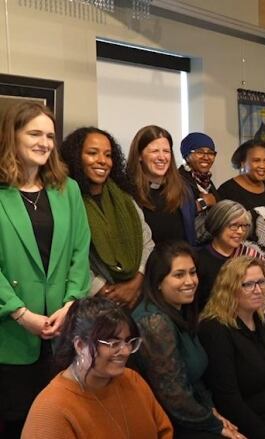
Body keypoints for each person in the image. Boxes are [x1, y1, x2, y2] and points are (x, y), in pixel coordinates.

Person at [0, 101, 91, 435]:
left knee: (61, 421)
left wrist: (70, 304)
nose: (44, 142)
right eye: (34, 133)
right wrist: (21, 314)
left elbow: (80, 250)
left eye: (50, 136)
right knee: (19, 424)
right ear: (12, 136)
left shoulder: (68, 190)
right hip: (11, 333)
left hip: (62, 330)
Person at [132, 241, 247, 439]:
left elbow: (194, 380)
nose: (190, 281)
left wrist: (213, 412)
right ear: (158, 281)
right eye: (179, 275)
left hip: (192, 413)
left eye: (192, 273)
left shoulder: (180, 311)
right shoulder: (154, 322)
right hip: (167, 422)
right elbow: (173, 397)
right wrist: (215, 425)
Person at [21, 296, 173, 438]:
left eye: (128, 341)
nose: (125, 351)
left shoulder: (132, 380)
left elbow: (164, 431)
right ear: (80, 345)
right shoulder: (51, 410)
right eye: (113, 343)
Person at [59, 127, 155, 307]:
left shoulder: (125, 198)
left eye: (108, 155)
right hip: (86, 303)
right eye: (92, 153)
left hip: (135, 298)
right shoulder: (65, 199)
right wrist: (101, 289)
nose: (102, 161)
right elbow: (65, 255)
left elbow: (147, 242)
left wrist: (135, 283)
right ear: (76, 157)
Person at [199, 256, 265, 439]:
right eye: (248, 284)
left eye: (261, 282)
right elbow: (228, 400)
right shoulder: (215, 329)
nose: (258, 290)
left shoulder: (263, 321)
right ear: (230, 289)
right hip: (242, 428)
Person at [195, 200, 265, 309]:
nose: (240, 231)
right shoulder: (199, 259)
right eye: (234, 226)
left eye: (244, 226)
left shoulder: (251, 255)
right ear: (217, 225)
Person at [127, 125, 198, 246]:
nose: (162, 157)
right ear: (139, 155)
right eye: (155, 151)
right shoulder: (127, 193)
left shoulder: (184, 190)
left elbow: (190, 238)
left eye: (166, 151)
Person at [217, 139, 265, 253]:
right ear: (242, 163)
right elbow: (222, 232)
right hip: (243, 260)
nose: (262, 165)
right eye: (256, 160)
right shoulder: (227, 190)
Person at [179, 132, 220, 243]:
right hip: (185, 247)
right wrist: (204, 202)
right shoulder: (178, 181)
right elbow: (177, 216)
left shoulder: (207, 182)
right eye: (199, 152)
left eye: (211, 153)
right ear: (187, 155)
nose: (206, 157)